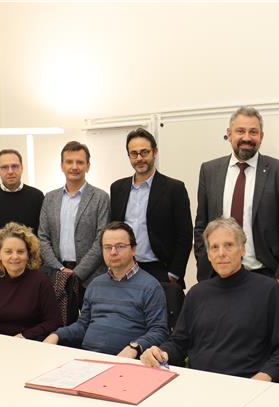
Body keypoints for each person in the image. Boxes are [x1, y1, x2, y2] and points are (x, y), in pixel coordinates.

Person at [141, 217, 279, 383]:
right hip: (199, 385)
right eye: (214, 247)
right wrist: (160, 353)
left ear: (243, 250)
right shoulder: (197, 294)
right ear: (208, 255)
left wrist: (261, 378)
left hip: (248, 386)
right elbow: (179, 344)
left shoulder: (267, 290)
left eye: (228, 245)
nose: (221, 253)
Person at [193, 106, 279, 291]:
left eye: (253, 132)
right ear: (229, 134)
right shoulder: (210, 171)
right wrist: (204, 263)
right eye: (240, 131)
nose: (247, 138)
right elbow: (201, 224)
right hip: (217, 273)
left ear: (261, 136)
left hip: (264, 274)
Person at [43, 222, 168, 356]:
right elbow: (82, 325)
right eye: (108, 247)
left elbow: (159, 331)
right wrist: (56, 335)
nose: (113, 252)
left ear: (133, 249)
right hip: (87, 358)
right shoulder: (95, 284)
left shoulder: (151, 287)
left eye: (120, 246)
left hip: (126, 363)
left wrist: (134, 348)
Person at [109, 128, 193, 285]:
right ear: (128, 156)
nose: (139, 158)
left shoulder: (174, 189)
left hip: (160, 271)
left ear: (155, 152)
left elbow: (185, 236)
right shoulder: (117, 188)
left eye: (144, 152)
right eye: (134, 153)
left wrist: (174, 273)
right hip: (125, 269)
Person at [38, 141, 110, 288]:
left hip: (92, 278)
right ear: (62, 166)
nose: (74, 167)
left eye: (80, 162)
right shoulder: (50, 198)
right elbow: (43, 237)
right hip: (56, 275)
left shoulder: (101, 197)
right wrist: (60, 269)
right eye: (69, 162)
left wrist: (77, 273)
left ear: (88, 166)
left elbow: (101, 240)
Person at [0, 222, 62, 340]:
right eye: (8, 252)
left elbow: (54, 322)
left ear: (28, 255)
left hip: (29, 345)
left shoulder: (41, 282)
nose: (15, 257)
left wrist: (24, 336)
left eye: (20, 252)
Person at [0, 149, 45, 254]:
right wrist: (0, 258)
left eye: (15, 166)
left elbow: (43, 235)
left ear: (22, 168)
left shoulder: (37, 196)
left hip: (31, 263)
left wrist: (26, 256)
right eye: (4, 167)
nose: (10, 171)